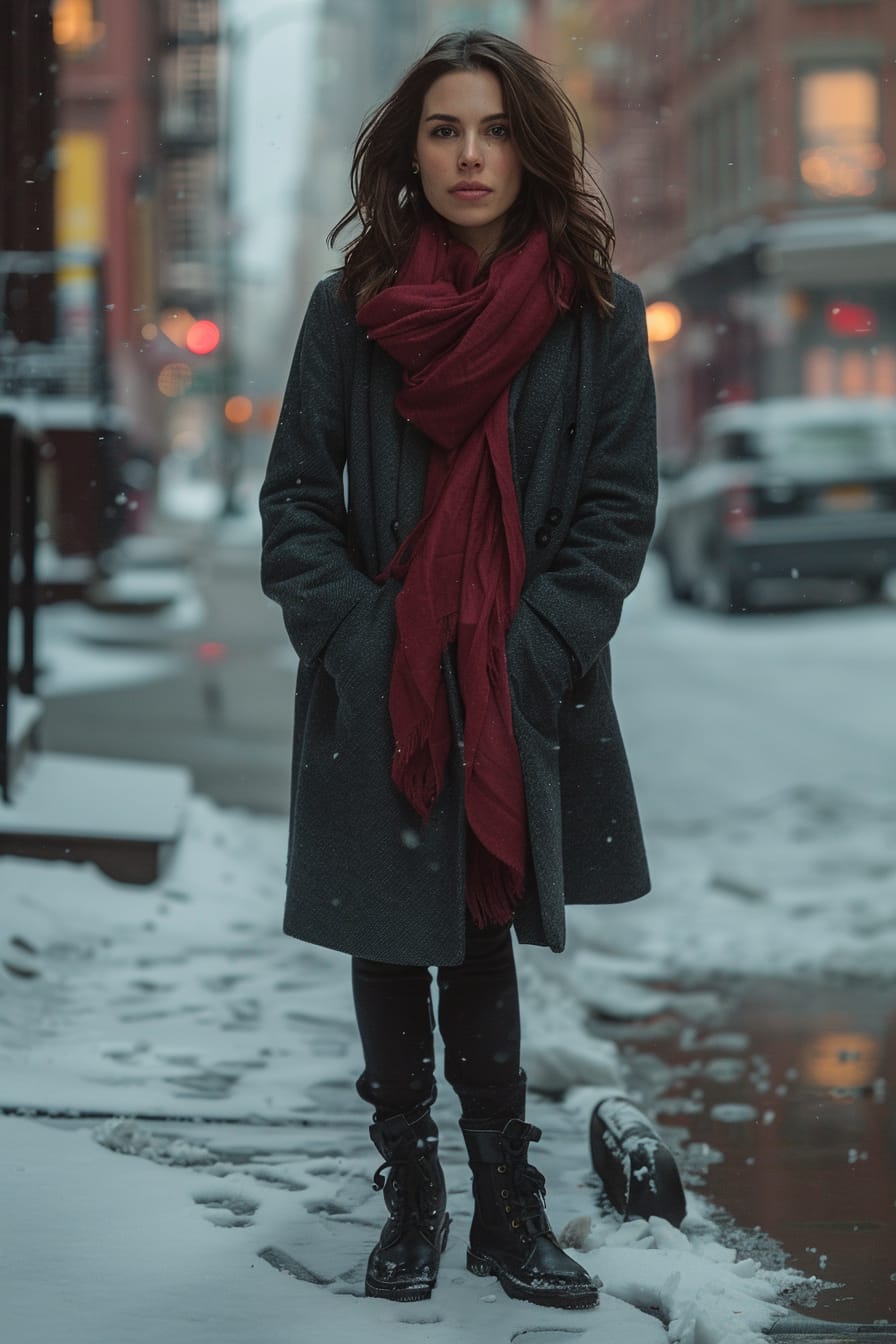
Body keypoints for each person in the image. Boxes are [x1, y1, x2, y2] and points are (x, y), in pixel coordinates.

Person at [259, 29, 657, 1311]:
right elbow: (294, 506)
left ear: (526, 144)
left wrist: (533, 645)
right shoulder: (352, 310)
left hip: (511, 676)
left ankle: (506, 1209)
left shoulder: (596, 313)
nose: (468, 154)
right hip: (385, 679)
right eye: (443, 129)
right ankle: (412, 1207)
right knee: (388, 935)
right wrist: (361, 639)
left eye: (490, 128)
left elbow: (613, 508)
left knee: (476, 930)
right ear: (410, 152)